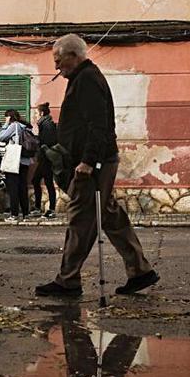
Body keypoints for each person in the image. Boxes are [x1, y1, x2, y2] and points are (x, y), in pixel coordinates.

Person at [35, 34, 159, 297]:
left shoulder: (87, 79)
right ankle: (140, 271)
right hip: (96, 161)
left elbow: (99, 125)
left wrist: (88, 161)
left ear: (73, 55)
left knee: (81, 218)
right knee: (110, 215)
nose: (56, 67)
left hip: (93, 164)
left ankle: (68, 280)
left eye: (58, 61)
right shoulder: (83, 77)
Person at [0, 109, 33, 222]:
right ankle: (25, 214)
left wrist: (5, 124)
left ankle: (14, 214)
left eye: (6, 117)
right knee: (23, 187)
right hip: (25, 161)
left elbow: (2, 136)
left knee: (13, 188)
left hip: (15, 160)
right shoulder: (25, 126)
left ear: (10, 117)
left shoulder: (14, 126)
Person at [31, 102, 58, 219]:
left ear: (42, 113)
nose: (35, 116)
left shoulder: (47, 125)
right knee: (38, 181)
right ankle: (41, 208)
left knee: (45, 182)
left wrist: (38, 142)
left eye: (36, 113)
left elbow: (47, 142)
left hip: (46, 159)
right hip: (44, 158)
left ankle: (50, 209)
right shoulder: (45, 124)